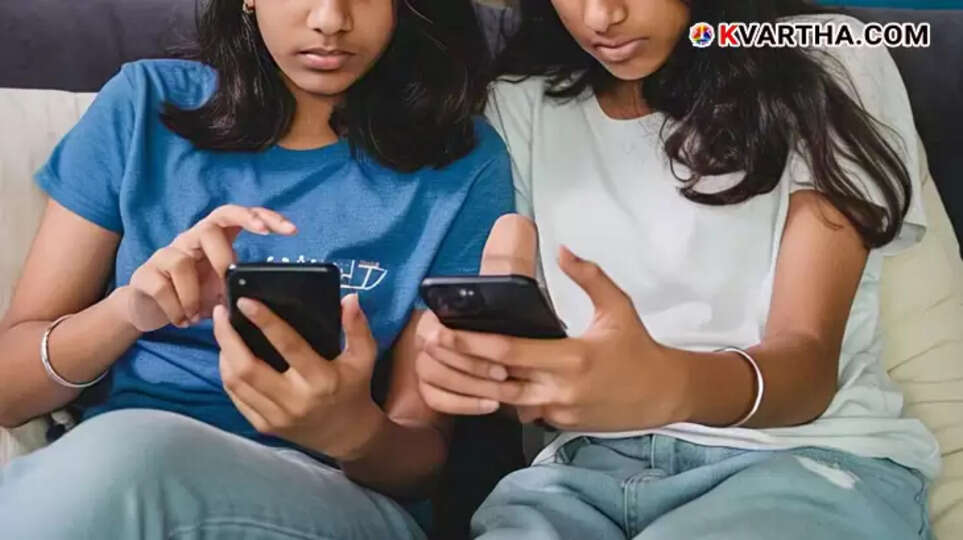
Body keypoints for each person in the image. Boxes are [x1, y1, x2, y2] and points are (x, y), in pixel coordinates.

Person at [415, 1, 939, 538]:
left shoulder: (824, 55)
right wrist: (484, 369)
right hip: (581, 477)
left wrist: (670, 382)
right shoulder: (519, 99)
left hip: (802, 462)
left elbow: (807, 366)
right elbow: (537, 381)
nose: (601, 16)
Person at [0, 0, 514, 538]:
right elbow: (11, 394)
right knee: (119, 460)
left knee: (129, 459)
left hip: (329, 495)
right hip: (108, 481)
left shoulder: (463, 162)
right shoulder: (144, 105)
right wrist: (127, 310)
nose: (330, 19)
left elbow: (422, 457)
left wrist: (353, 431)